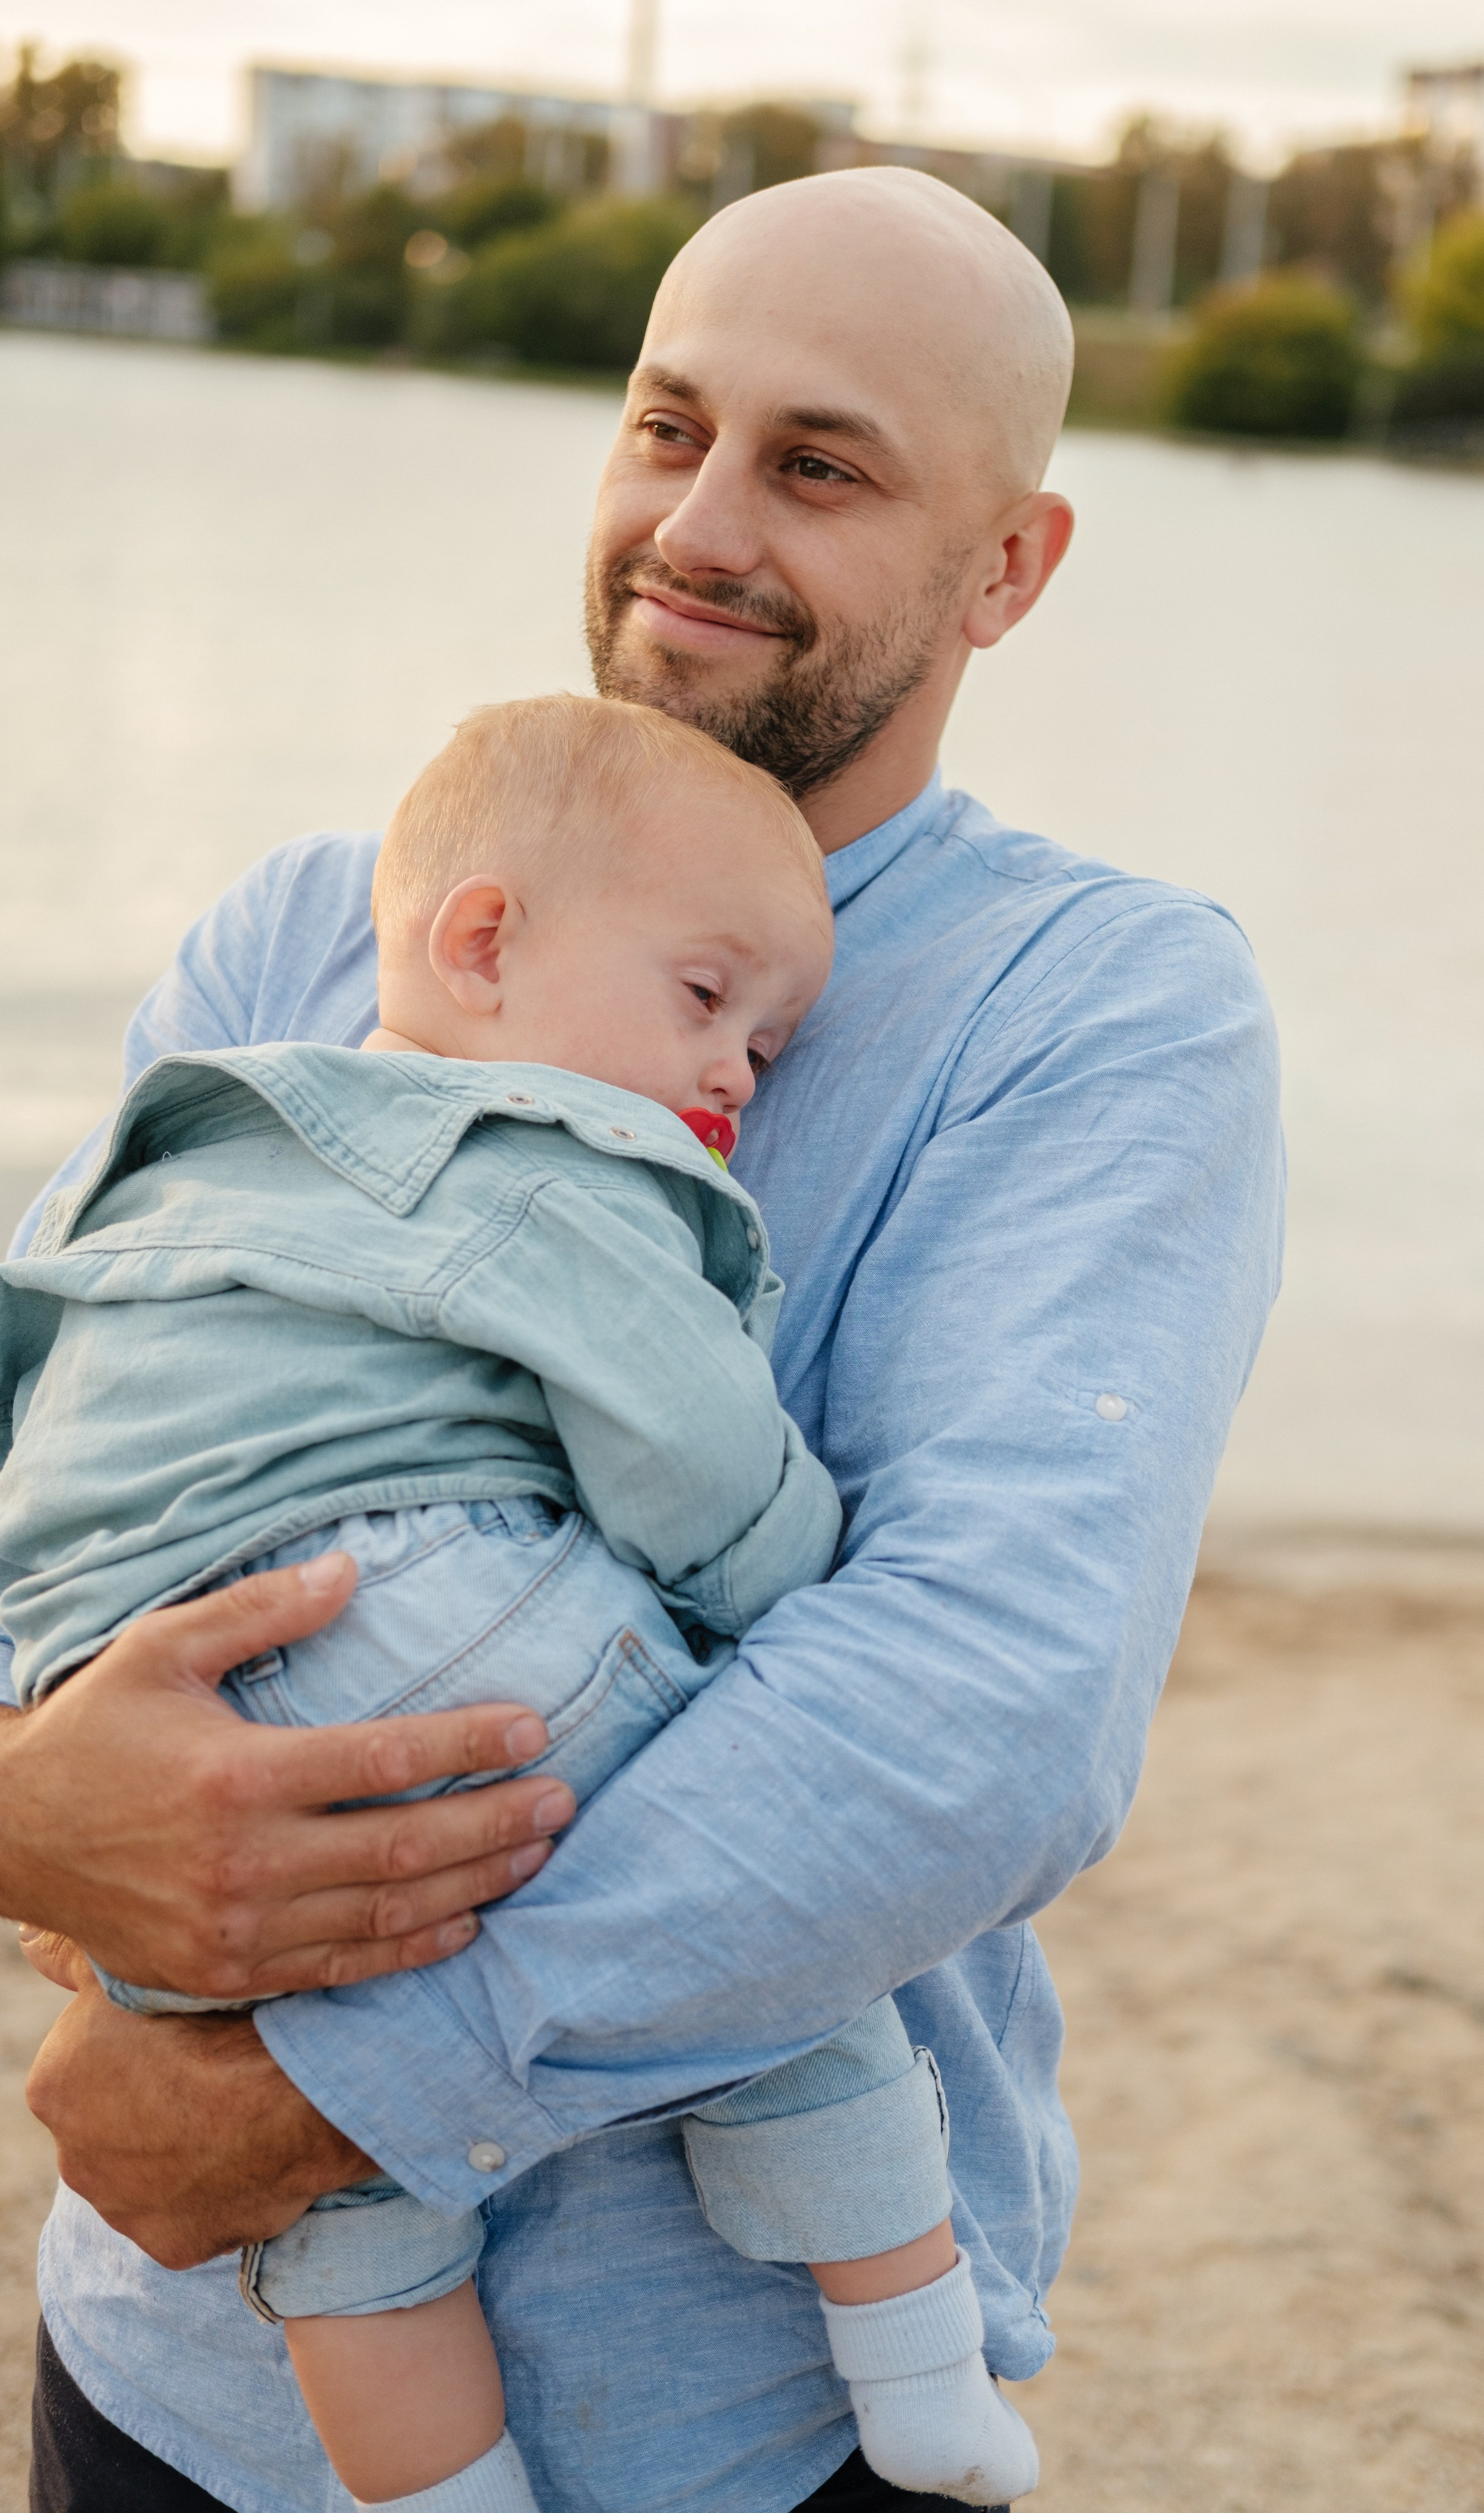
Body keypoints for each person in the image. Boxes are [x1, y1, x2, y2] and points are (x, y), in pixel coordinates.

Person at [14, 166, 1283, 2512]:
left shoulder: (1097, 1008)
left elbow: (985, 1711)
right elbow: (62, 1430)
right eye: (666, 426)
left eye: (821, 465)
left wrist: (330, 2094)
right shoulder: (321, 933)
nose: (695, 528)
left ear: (1008, 568)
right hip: (170, 2374)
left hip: (725, 2431)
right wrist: (22, 1807)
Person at [2, 691, 1036, 2513]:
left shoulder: (176, 1145)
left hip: (151, 1689)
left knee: (332, 2211)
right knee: (777, 1926)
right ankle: (916, 2356)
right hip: (449, 1632)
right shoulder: (554, 1159)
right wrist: (784, 1579)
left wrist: (47, 1737)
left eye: (767, 1045)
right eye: (706, 1002)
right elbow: (693, 1452)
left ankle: (438, 2489)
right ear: (483, 944)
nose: (736, 1077)